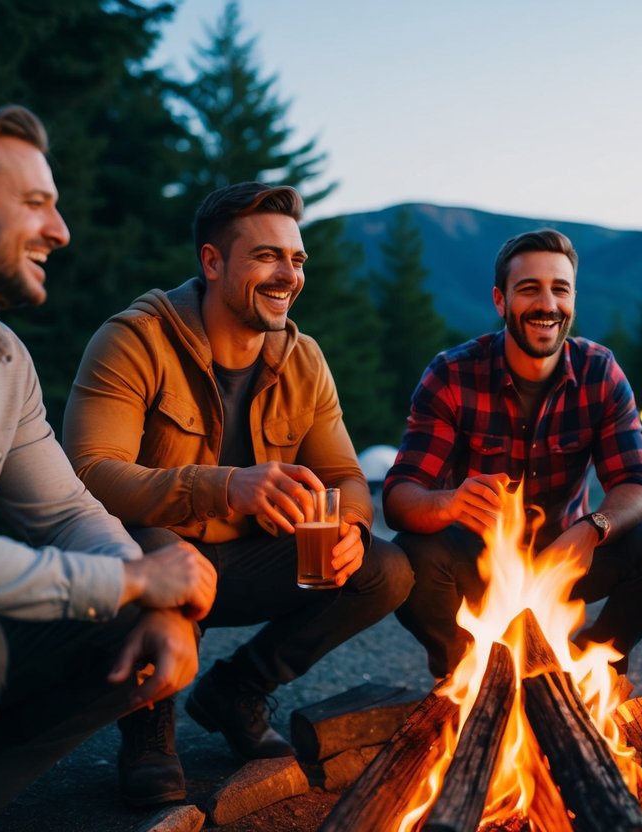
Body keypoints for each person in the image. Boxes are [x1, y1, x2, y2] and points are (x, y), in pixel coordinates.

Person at [61, 181, 413, 808]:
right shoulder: (134, 339)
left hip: (248, 562)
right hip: (158, 554)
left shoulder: (304, 358)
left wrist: (353, 530)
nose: (289, 275)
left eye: (297, 259)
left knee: (384, 570)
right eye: (267, 256)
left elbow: (346, 476)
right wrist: (224, 485)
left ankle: (236, 690)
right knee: (152, 546)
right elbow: (88, 473)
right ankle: (147, 727)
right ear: (212, 261)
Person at [0, 102, 215, 829]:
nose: (60, 231)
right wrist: (133, 578)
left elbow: (65, 512)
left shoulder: (4, 362)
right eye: (34, 203)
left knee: (122, 618)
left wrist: (153, 602)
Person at [384, 229, 642, 678]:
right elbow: (399, 498)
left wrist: (593, 528)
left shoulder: (599, 371)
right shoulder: (452, 374)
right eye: (529, 289)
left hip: (567, 554)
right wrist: (449, 503)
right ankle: (469, 674)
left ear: (573, 298)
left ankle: (588, 668)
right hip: (480, 560)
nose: (547, 304)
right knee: (411, 555)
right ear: (500, 301)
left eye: (560, 289)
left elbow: (638, 483)